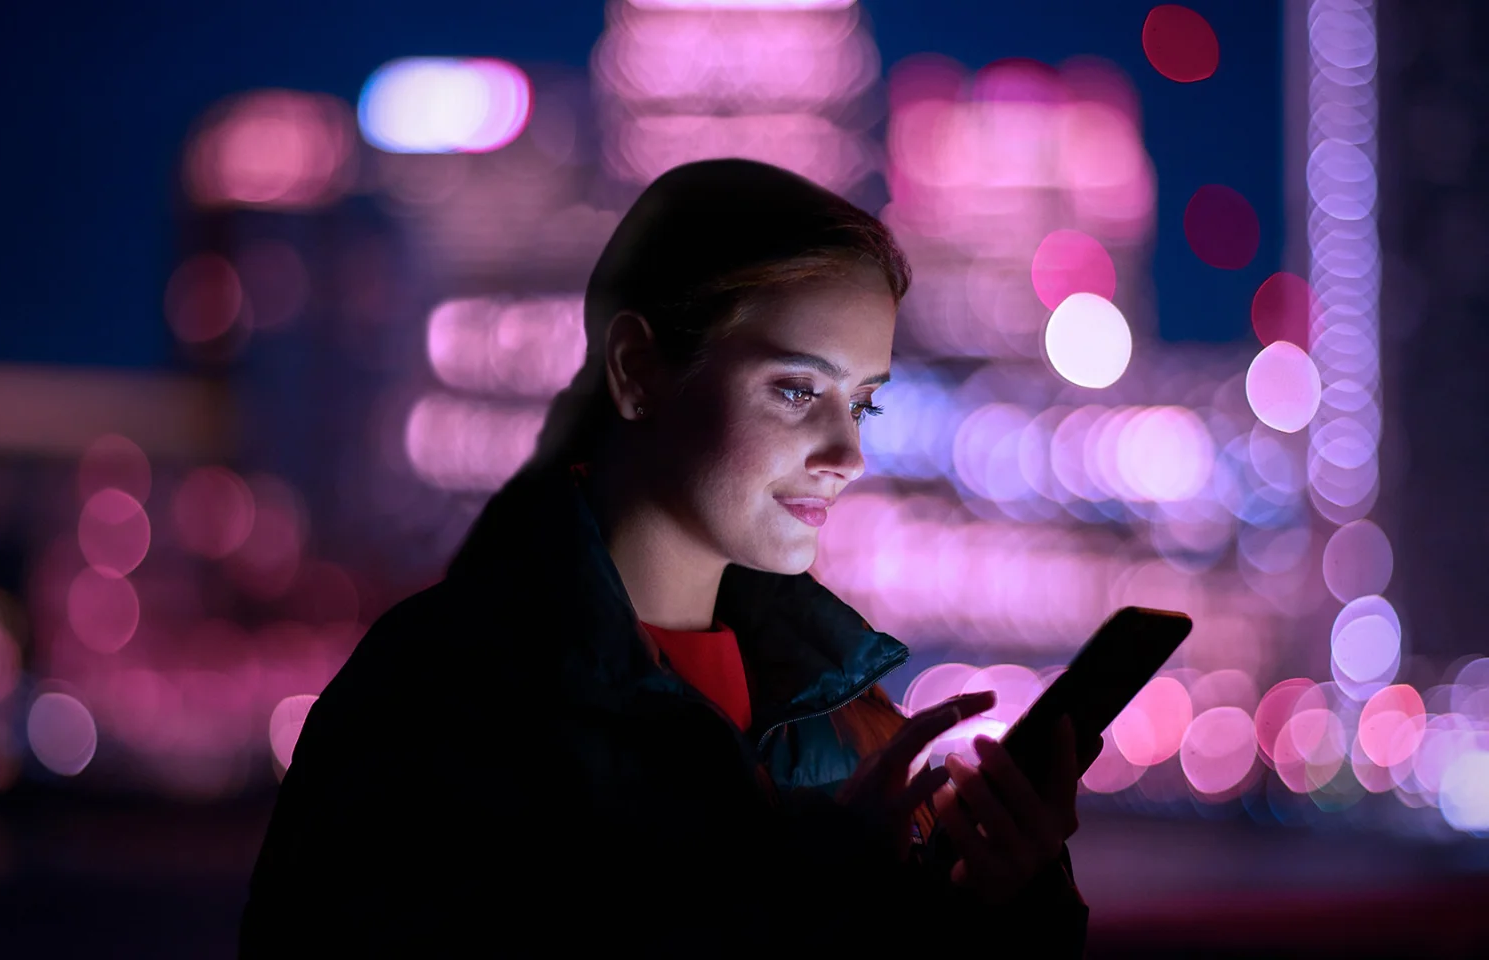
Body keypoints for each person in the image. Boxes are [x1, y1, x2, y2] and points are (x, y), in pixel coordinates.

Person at [240, 158, 1092, 957]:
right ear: (638, 370)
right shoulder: (443, 698)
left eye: (862, 405)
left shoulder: (847, 724)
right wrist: (807, 897)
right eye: (797, 391)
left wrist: (1012, 903)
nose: (847, 453)